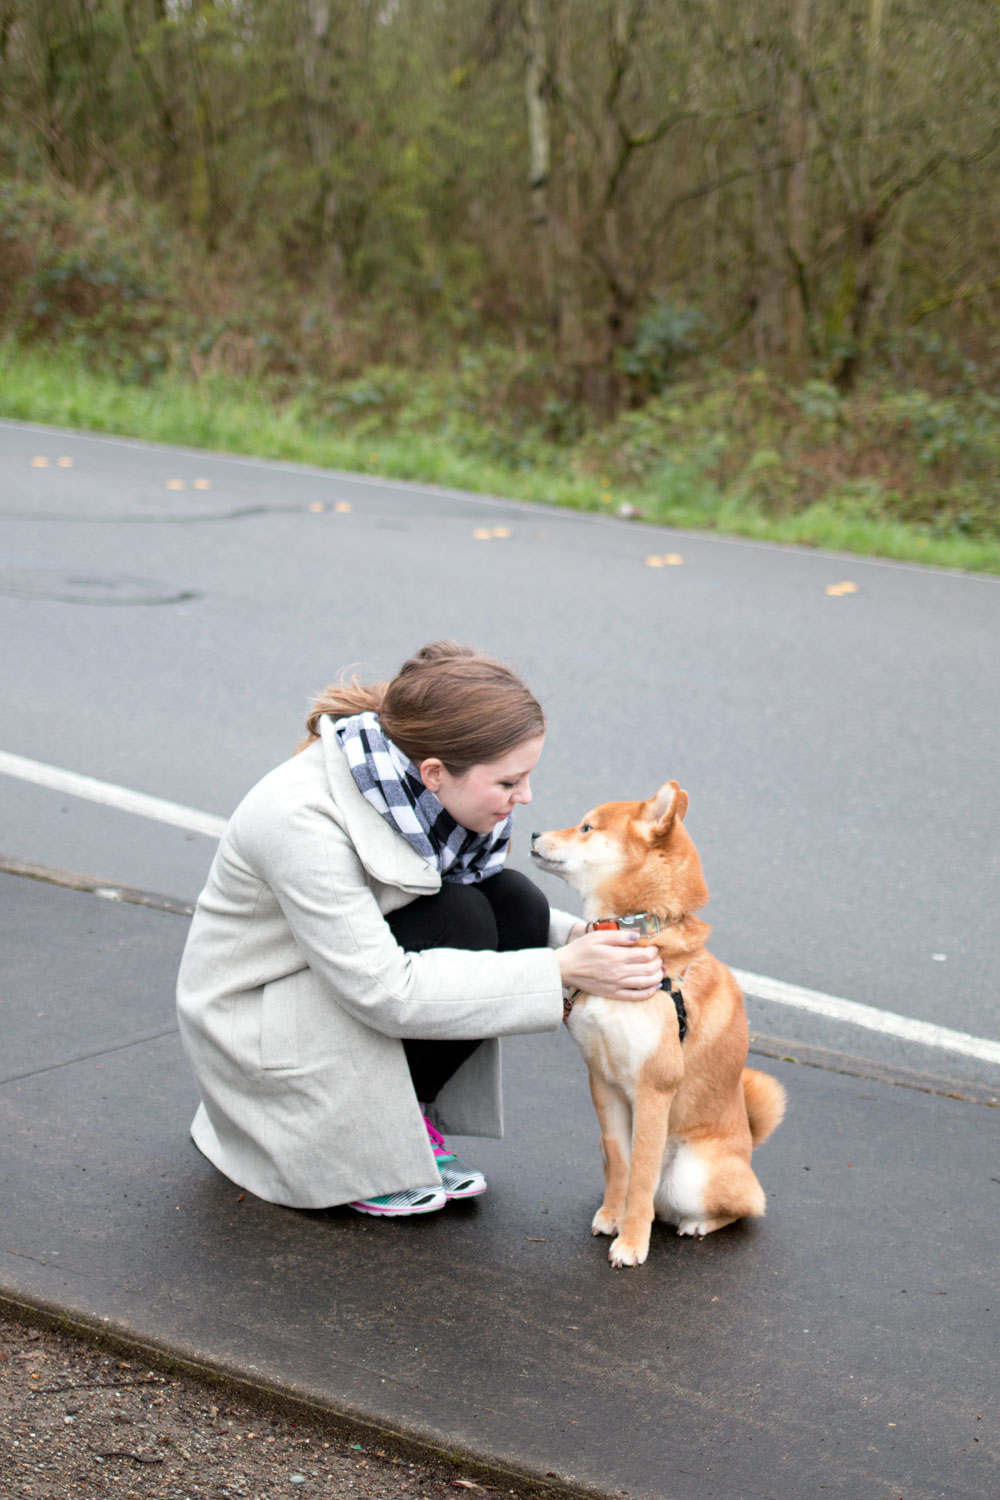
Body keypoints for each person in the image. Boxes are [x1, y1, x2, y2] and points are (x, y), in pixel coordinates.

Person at [176, 641, 664, 1217]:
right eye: (509, 783)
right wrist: (559, 970)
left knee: (514, 908)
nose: (525, 797)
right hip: (257, 1028)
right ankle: (354, 1150)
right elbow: (383, 991)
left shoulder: (405, 789)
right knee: (463, 918)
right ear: (434, 772)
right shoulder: (298, 818)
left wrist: (574, 939)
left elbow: (414, 898)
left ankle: (403, 1123)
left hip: (322, 979)